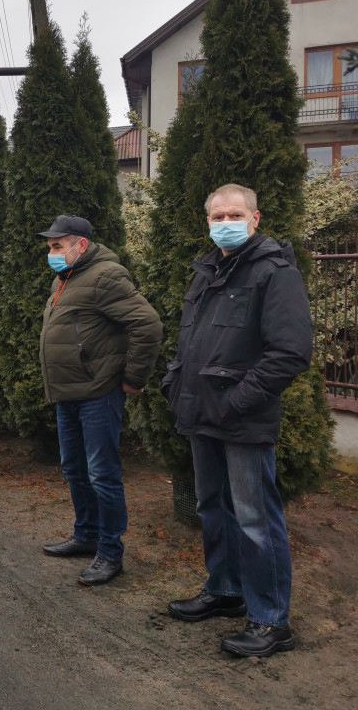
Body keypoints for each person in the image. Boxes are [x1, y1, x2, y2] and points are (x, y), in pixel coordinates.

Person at [163, 184, 312, 658]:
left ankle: (271, 621)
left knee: (255, 520)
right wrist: (174, 382)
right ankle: (225, 590)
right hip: (201, 413)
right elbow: (191, 342)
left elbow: (289, 352)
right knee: (212, 508)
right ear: (207, 222)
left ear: (255, 218)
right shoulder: (206, 272)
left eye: (234, 214)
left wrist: (237, 402)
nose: (224, 222)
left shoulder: (275, 273)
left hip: (243, 419)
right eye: (216, 216)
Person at [37, 215, 162, 585]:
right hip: (67, 393)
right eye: (50, 247)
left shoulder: (106, 276)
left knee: (102, 474)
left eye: (57, 246)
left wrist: (133, 379)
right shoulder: (66, 277)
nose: (52, 253)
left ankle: (110, 551)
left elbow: (148, 324)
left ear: (81, 245)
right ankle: (86, 535)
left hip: (98, 394)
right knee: (74, 469)